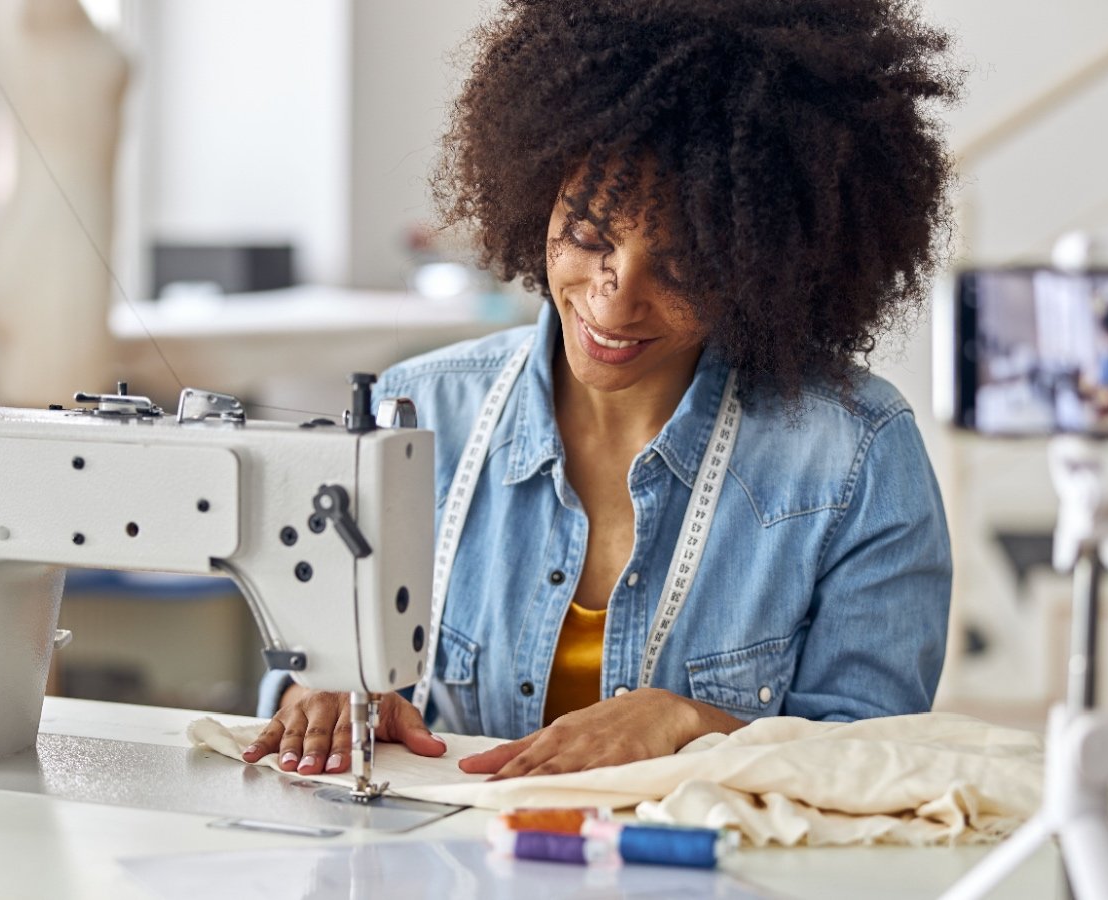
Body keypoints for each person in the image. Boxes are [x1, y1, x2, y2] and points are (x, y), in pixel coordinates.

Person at [245, 0, 958, 781]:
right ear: (535, 189)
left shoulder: (853, 456)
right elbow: (306, 670)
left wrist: (685, 721)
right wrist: (327, 694)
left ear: (766, 264)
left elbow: (880, 759)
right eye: (588, 237)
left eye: (686, 265)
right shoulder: (414, 416)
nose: (614, 303)